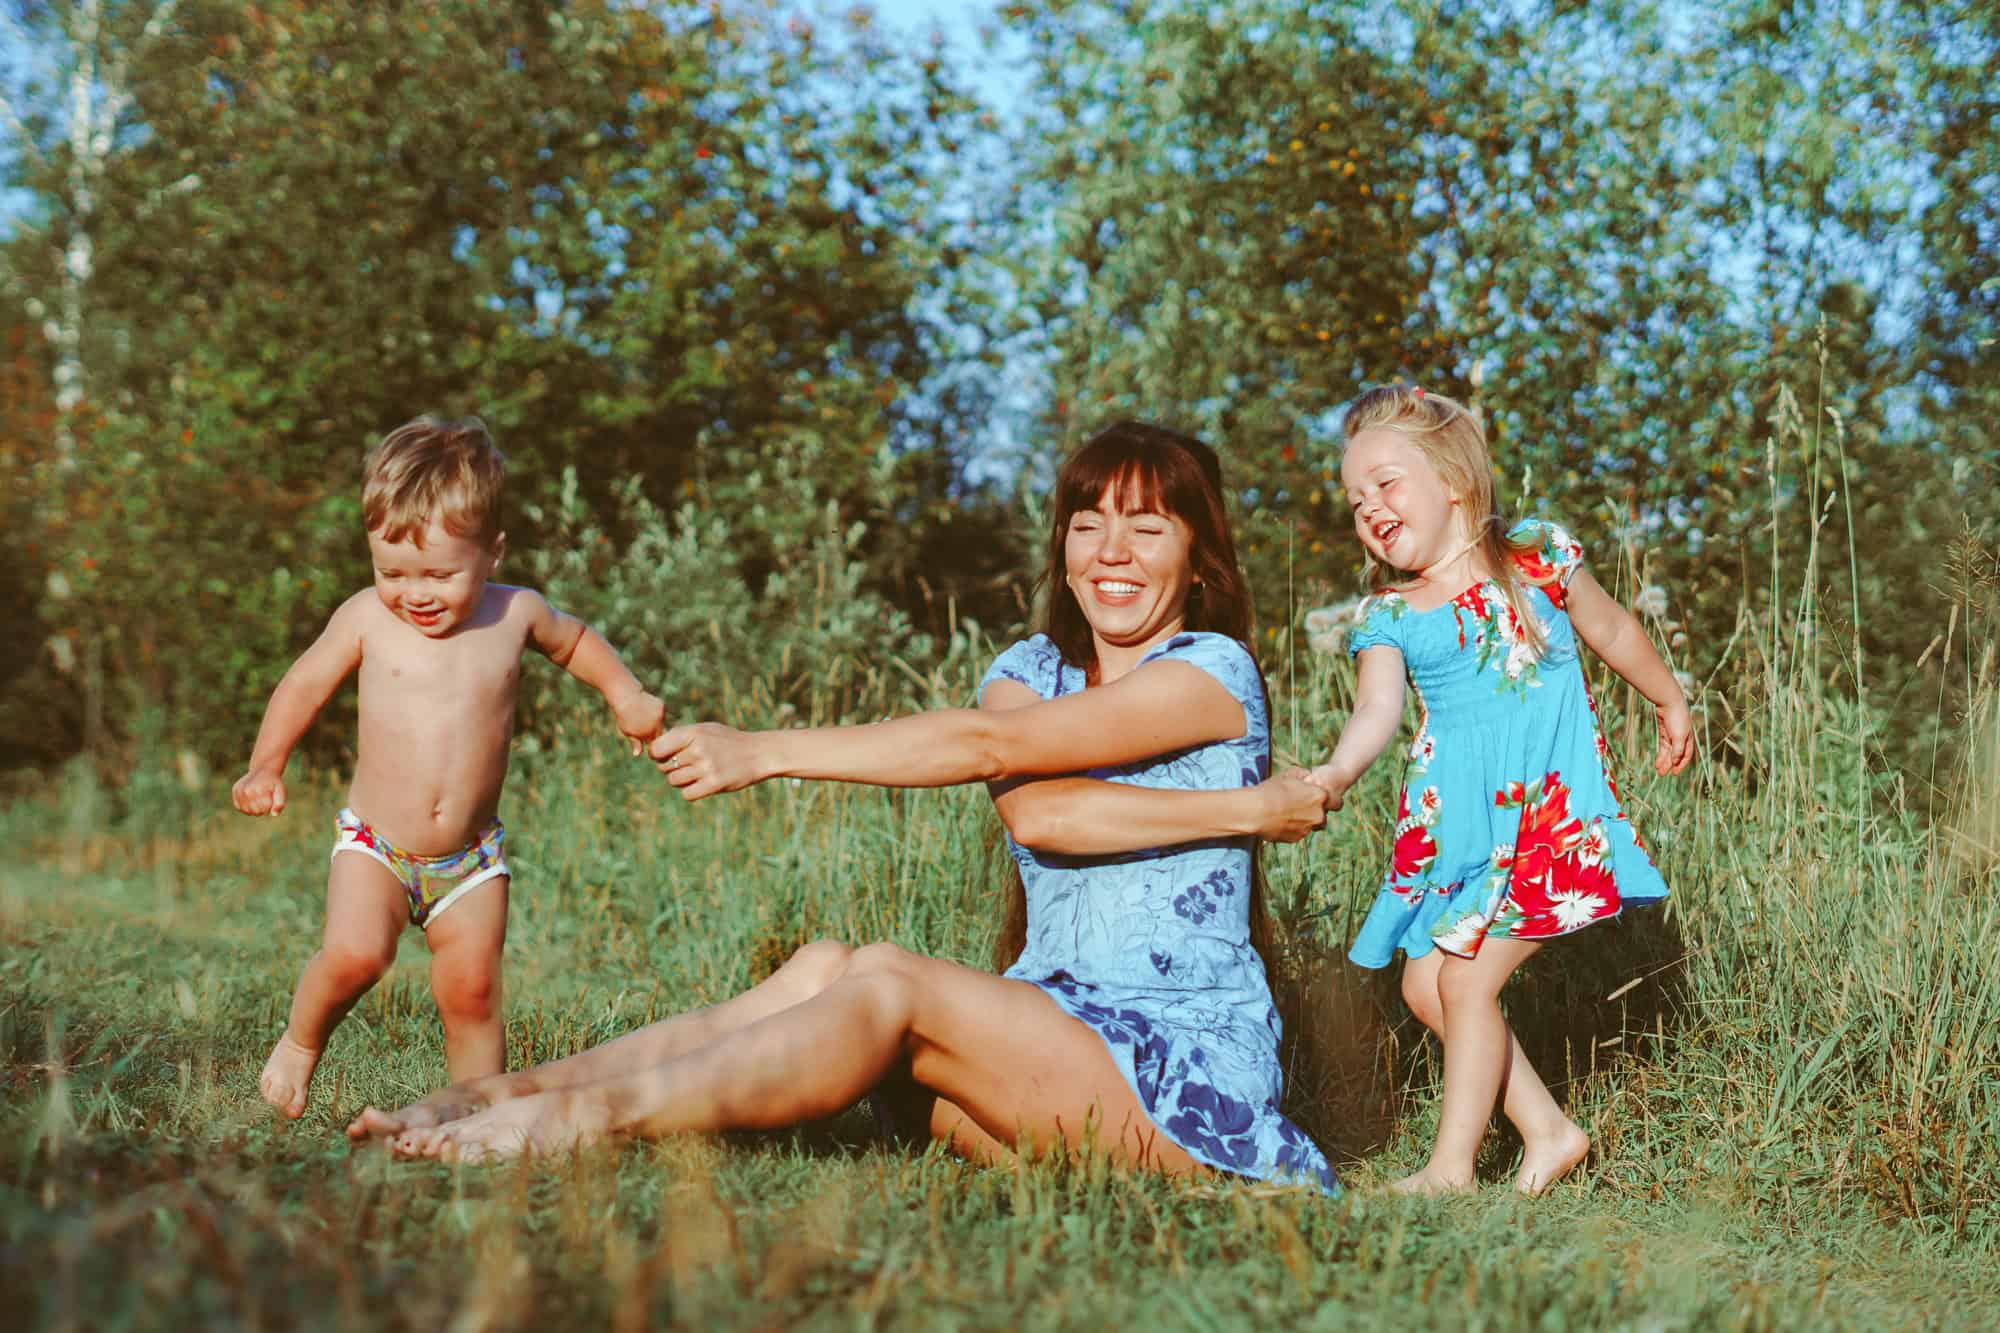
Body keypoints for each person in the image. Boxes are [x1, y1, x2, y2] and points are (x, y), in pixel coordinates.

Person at [347, 421, 1339, 1192]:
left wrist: (765, 753)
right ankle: (493, 1094)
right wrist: (1240, 812)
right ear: (1062, 544)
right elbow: (1045, 814)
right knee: (829, 965)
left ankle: (578, 1123)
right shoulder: (1025, 670)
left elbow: (1002, 769)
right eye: (1088, 523)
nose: (1109, 551)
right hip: (1043, 1048)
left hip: (1181, 1086)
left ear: (1198, 557)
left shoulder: (1210, 673)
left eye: (1146, 525)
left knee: (891, 984)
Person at [1307, 384, 1694, 1196]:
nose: (1369, 506)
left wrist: (1668, 697)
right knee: (1425, 985)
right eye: (1353, 498)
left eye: (1385, 482)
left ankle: (1451, 1168)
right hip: (1462, 836)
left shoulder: (1535, 558)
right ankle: (1550, 1130)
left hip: (1547, 823)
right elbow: (1375, 712)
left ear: (1453, 477)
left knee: (1465, 980)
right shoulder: (1389, 612)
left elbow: (1615, 628)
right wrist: (1338, 770)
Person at [232, 415, 666, 1118]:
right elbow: (305, 682)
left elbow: (577, 641)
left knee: (470, 990)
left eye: (438, 572)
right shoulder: (367, 618)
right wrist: (265, 764)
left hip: (471, 857)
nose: (415, 592)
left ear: (492, 551)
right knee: (355, 955)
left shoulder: (515, 614)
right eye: (392, 571)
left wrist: (627, 693)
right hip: (376, 844)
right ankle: (301, 1041)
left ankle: (474, 1111)